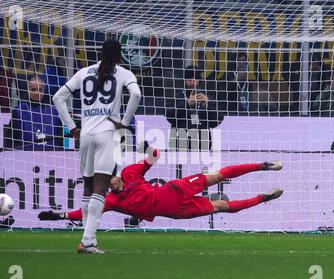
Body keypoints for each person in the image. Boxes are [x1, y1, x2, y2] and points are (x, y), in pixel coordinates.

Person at [39, 145, 284, 233]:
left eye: (107, 178)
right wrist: (60, 216)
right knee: (221, 207)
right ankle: (263, 198)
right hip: (174, 211)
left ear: (112, 174)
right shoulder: (112, 200)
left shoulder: (130, 172)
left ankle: (264, 165)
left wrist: (149, 150)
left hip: (173, 191)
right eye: (102, 183)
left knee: (217, 175)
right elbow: (88, 213)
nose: (108, 183)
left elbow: (153, 156)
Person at [53, 39, 141, 254]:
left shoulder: (84, 72)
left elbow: (58, 97)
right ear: (119, 55)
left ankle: (87, 238)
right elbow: (136, 94)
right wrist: (124, 122)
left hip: (86, 135)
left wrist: (73, 128)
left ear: (100, 53)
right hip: (107, 134)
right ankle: (88, 240)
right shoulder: (123, 73)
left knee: (88, 187)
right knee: (101, 187)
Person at [165, 65, 224, 151]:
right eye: (189, 80)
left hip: (203, 144)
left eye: (195, 79)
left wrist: (207, 105)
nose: (193, 82)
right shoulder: (176, 96)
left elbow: (217, 121)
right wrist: (186, 104)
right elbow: (169, 116)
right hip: (180, 142)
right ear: (184, 81)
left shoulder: (207, 97)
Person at [6, 75, 63, 150]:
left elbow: (60, 140)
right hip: (24, 156)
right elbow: (10, 140)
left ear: (44, 91)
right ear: (28, 90)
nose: (37, 93)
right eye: (33, 89)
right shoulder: (18, 111)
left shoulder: (54, 112)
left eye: (40, 90)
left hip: (52, 156)